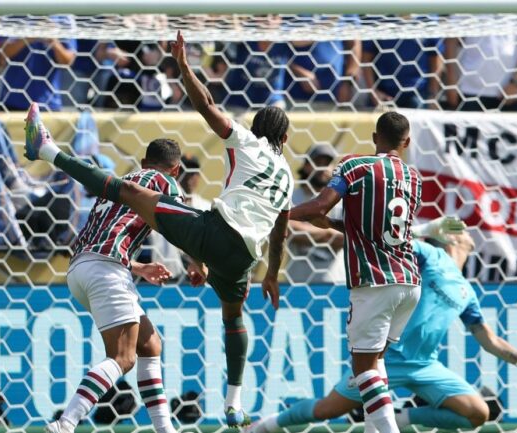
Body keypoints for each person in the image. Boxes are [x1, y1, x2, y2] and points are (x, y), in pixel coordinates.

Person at [25, 30, 294, 428]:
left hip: (89, 264)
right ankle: (233, 401)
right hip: (243, 257)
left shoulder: (243, 142)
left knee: (149, 342)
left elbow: (206, 105)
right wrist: (270, 273)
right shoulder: (286, 176)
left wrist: (183, 65)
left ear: (256, 129)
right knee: (223, 322)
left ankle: (49, 150)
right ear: (285, 139)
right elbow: (281, 229)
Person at [247, 230, 517, 433]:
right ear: (452, 239)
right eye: (461, 230)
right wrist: (427, 230)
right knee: (326, 410)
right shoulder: (431, 256)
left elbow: (489, 340)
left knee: (478, 413)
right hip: (385, 359)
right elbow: (393, 239)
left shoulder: (467, 291)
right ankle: (263, 427)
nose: (468, 234)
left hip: (425, 365)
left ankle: (403, 419)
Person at [290, 112, 423, 433]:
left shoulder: (357, 167)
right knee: (376, 364)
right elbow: (378, 226)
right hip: (409, 281)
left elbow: (320, 205)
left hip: (374, 279)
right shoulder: (414, 177)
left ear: (375, 137)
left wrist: (280, 216)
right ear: (406, 143)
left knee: (363, 368)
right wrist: (336, 224)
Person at [42, 137, 185, 433]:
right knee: (123, 357)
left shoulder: (119, 183)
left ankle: (164, 429)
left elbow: (101, 239)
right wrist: (200, 261)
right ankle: (66, 423)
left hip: (80, 269)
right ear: (177, 170)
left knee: (150, 344)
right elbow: (181, 226)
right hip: (106, 271)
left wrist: (139, 266)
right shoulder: (165, 183)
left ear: (144, 163)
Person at [287, 144, 344, 284]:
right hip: (297, 283)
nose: (323, 168)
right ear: (306, 166)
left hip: (336, 283)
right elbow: (286, 229)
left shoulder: (342, 200)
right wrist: (330, 234)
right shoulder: (292, 198)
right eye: (317, 163)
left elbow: (349, 238)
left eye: (327, 164)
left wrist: (303, 230)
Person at [0, 15, 76, 111]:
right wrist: (29, 37)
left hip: (48, 103)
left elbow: (68, 62)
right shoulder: (14, 14)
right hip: (13, 101)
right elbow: (1, 55)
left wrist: (53, 41)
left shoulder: (62, 18)